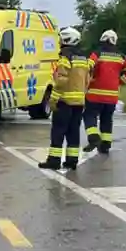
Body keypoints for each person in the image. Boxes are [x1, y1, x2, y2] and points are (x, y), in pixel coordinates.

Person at [38, 27, 92, 170]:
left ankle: (54, 161)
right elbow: (87, 80)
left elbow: (61, 80)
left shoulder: (65, 57)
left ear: (66, 40)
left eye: (61, 39)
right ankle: (72, 160)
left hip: (64, 101)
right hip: (79, 102)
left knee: (58, 131)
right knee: (73, 132)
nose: (60, 42)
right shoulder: (84, 58)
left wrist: (53, 98)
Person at [83, 30, 126, 153]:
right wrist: (121, 81)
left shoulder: (97, 53)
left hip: (95, 94)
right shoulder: (121, 56)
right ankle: (105, 144)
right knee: (107, 119)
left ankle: (93, 137)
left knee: (89, 115)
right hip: (112, 96)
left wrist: (88, 80)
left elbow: (88, 66)